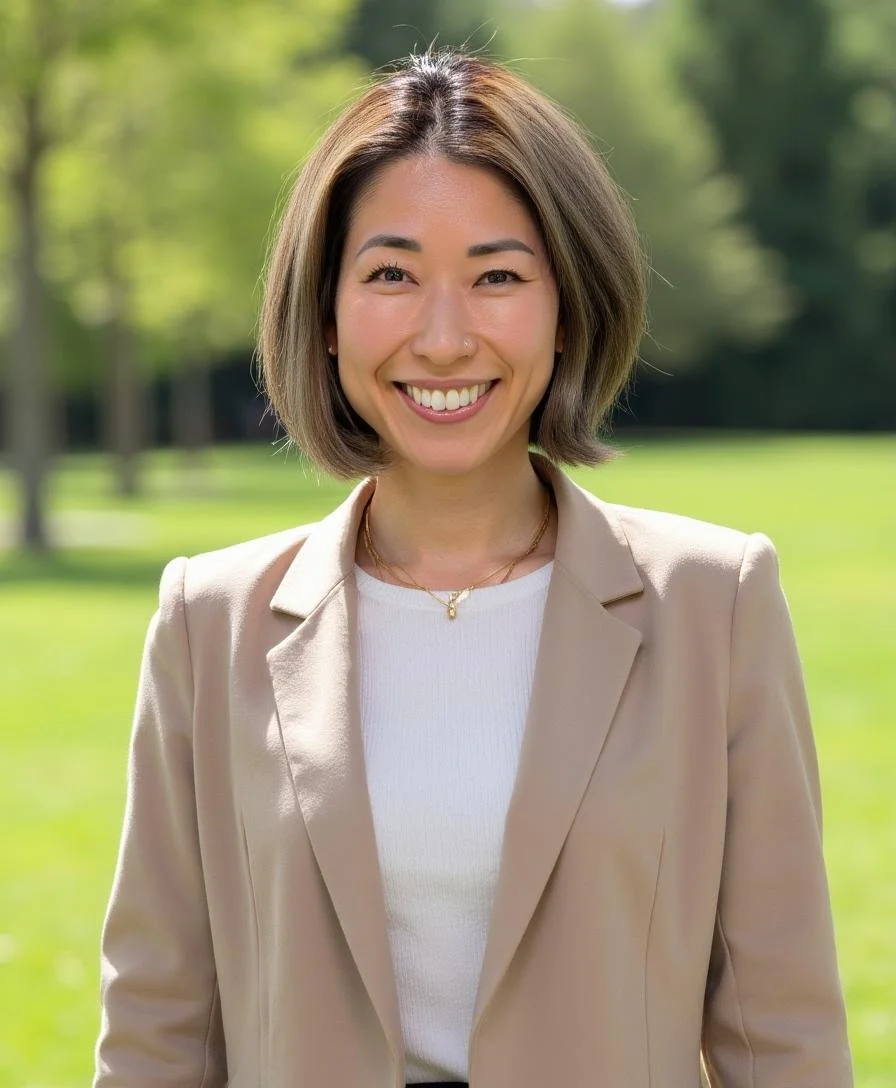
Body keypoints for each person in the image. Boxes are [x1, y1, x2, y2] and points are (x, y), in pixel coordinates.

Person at [94, 50, 852, 1087]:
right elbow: (156, 1034)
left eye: (496, 275)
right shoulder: (209, 620)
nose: (442, 337)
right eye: (391, 274)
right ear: (323, 315)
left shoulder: (712, 603)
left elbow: (782, 1035)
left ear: (566, 304)